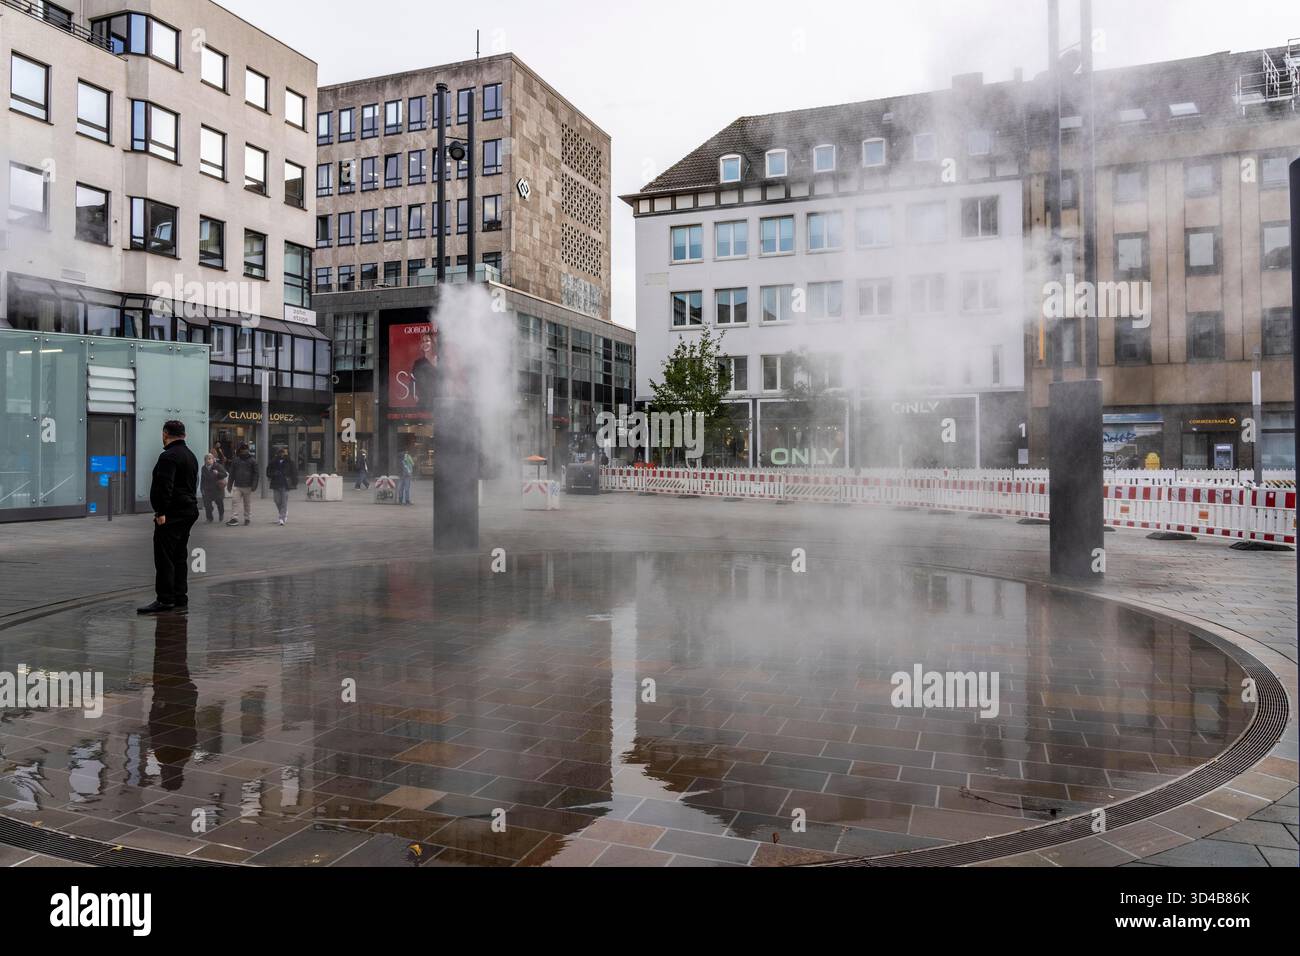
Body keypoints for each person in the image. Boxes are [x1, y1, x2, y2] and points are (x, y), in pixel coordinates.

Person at [138, 420, 199, 614]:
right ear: (184, 435)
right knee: (179, 556)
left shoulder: (168, 456)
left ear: (165, 434)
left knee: (164, 557)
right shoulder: (191, 456)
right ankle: (180, 596)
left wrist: (161, 512)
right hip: (189, 510)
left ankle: (165, 599)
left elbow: (164, 486)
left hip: (173, 513)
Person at [226, 443, 258, 526]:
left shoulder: (252, 460)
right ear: (240, 451)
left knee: (247, 503)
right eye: (242, 450)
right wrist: (229, 484)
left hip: (248, 485)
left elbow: (256, 474)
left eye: (245, 449)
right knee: (235, 501)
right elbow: (232, 473)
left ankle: (247, 518)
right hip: (238, 485)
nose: (244, 451)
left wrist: (254, 485)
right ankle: (234, 518)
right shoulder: (236, 460)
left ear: (248, 450)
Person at [267, 447, 298, 525]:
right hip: (275, 483)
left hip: (285, 484)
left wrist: (295, 482)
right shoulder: (273, 461)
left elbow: (294, 472)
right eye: (281, 452)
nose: (282, 454)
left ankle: (282, 518)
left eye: (284, 453)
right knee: (276, 500)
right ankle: (283, 512)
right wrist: (273, 474)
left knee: (284, 501)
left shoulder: (290, 462)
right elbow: (268, 472)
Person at [200, 453, 228, 523]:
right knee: (207, 505)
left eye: (210, 459)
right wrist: (201, 489)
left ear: (213, 460)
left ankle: (221, 514)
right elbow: (202, 479)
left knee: (219, 503)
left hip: (217, 489)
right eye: (207, 459)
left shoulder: (217, 466)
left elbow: (224, 474)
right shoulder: (203, 468)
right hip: (207, 489)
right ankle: (209, 518)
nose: (208, 460)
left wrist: (218, 473)